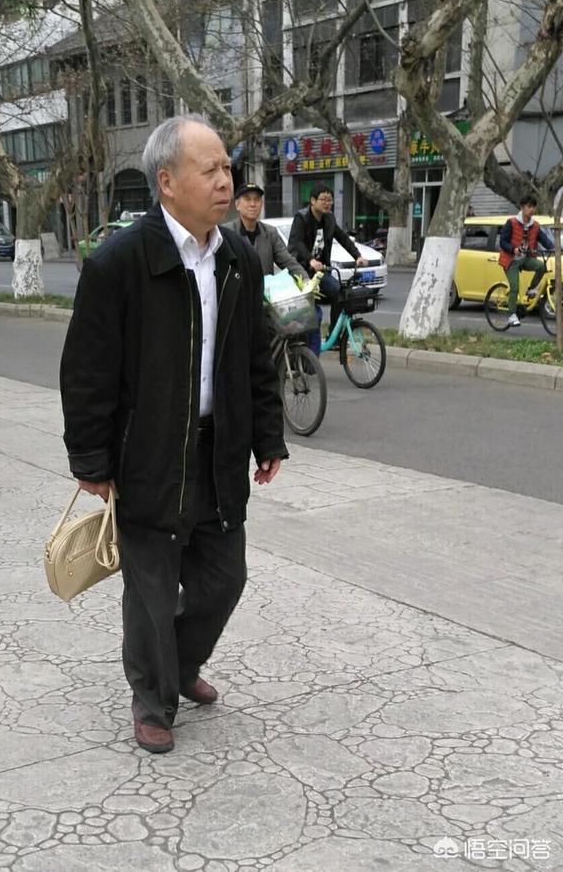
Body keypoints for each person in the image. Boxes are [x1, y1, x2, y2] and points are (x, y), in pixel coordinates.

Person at [60, 115, 288, 755]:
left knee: (224, 580)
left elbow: (256, 357)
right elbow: (86, 372)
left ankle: (182, 664)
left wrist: (267, 437)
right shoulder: (119, 264)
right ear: (166, 182)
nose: (225, 182)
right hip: (149, 456)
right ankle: (154, 700)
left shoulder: (238, 258)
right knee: (152, 593)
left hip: (218, 451)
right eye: (209, 170)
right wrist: (91, 460)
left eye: (227, 169)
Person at [288, 183, 368, 354]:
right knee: (310, 312)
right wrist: (310, 260)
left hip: (320, 270)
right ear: (313, 201)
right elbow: (296, 243)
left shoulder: (329, 219)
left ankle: (334, 337)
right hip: (301, 270)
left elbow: (343, 238)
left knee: (339, 292)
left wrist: (358, 256)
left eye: (330, 200)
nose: (327, 203)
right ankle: (304, 347)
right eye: (323, 199)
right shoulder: (302, 218)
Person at [224, 182, 307, 280]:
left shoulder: (270, 232)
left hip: (264, 289)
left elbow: (288, 262)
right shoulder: (226, 233)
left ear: (262, 204)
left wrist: (306, 280)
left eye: (257, 199)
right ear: (237, 205)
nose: (253, 204)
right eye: (247, 199)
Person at [498, 193, 553, 326]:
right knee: (515, 287)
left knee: (541, 266)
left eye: (534, 207)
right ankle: (512, 315)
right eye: (529, 207)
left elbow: (545, 241)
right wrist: (513, 249)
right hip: (511, 260)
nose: (532, 210)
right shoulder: (511, 223)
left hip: (525, 258)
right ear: (522, 207)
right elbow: (503, 242)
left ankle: (531, 289)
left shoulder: (535, 226)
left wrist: (554, 248)